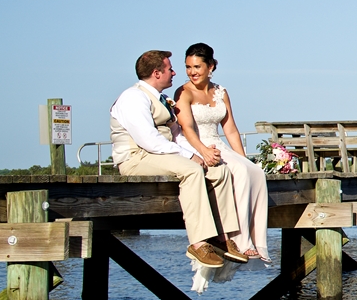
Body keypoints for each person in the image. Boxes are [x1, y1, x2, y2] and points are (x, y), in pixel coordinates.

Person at [109, 50, 245, 271]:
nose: (174, 72)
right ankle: (198, 242)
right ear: (156, 73)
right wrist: (190, 157)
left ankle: (221, 237)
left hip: (159, 154)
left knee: (218, 170)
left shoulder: (159, 98)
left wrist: (202, 154)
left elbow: (176, 135)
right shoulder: (133, 97)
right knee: (192, 171)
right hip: (136, 157)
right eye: (169, 68)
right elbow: (149, 140)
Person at [174, 43, 269, 268]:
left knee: (254, 172)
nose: (192, 72)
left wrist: (243, 157)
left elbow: (231, 130)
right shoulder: (183, 92)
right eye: (188, 67)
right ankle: (237, 238)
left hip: (218, 144)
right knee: (240, 173)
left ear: (211, 66)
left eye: (197, 66)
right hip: (196, 145)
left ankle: (256, 240)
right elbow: (186, 127)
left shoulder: (221, 92)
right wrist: (203, 151)